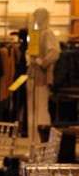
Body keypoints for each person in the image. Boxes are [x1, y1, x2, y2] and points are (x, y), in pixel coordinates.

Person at [26, 7, 60, 139]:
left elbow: (55, 52)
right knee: (32, 110)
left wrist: (42, 62)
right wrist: (29, 58)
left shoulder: (48, 33)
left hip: (41, 77)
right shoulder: (34, 33)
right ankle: (32, 139)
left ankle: (42, 140)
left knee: (41, 109)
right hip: (31, 75)